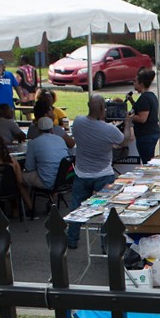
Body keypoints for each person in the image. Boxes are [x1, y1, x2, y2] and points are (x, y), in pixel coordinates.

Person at [68, 94, 131, 248]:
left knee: (77, 207)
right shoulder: (108, 130)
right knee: (106, 210)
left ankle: (72, 238)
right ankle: (105, 243)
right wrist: (128, 124)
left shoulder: (78, 122)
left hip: (82, 172)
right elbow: (124, 141)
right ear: (103, 109)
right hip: (103, 174)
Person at [24, 116, 71, 193]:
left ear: (38, 129)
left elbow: (29, 167)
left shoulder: (33, 143)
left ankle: (27, 204)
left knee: (20, 177)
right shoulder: (60, 139)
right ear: (52, 129)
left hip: (47, 181)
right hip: (64, 180)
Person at [126, 67, 160, 162]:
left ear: (141, 83)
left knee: (147, 160)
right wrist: (132, 101)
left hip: (146, 135)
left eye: (135, 81)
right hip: (152, 132)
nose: (134, 83)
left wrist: (128, 117)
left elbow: (142, 118)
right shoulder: (151, 96)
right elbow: (140, 109)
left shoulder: (144, 99)